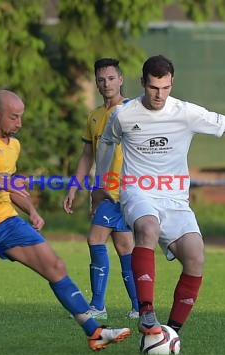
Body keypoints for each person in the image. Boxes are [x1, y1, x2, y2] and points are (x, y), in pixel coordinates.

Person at [94, 55, 225, 338]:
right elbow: (107, 145)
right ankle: (146, 311)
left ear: (172, 83)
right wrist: (100, 184)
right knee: (147, 227)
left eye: (165, 88)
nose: (159, 95)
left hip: (175, 200)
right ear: (143, 84)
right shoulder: (123, 115)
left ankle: (170, 334)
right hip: (138, 190)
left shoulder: (186, 113)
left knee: (196, 257)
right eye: (153, 88)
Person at [0, 90, 131, 353]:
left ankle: (94, 332)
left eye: (21, 117)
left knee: (54, 266)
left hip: (6, 222)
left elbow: (9, 186)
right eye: (14, 117)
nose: (19, 123)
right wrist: (3, 181)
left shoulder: (14, 145)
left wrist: (31, 210)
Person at [63, 58, 138, 320]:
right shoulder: (94, 116)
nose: (106, 84)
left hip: (127, 193)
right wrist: (74, 187)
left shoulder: (133, 111)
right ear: (96, 83)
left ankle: (99, 306)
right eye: (101, 79)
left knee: (99, 240)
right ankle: (138, 307)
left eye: (111, 78)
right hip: (104, 193)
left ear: (121, 79)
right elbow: (87, 156)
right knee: (124, 246)